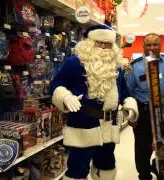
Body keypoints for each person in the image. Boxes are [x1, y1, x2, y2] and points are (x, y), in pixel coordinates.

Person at [50, 24, 139, 180]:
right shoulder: (74, 63)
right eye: (100, 43)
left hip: (108, 126)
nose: (104, 47)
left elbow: (124, 91)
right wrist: (65, 97)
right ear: (89, 43)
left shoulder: (117, 67)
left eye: (108, 44)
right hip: (83, 125)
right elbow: (56, 84)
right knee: (77, 169)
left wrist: (129, 105)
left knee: (106, 166)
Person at [125, 33, 164, 180]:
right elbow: (127, 93)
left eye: (155, 44)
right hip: (144, 113)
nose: (152, 48)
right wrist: (130, 114)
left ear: (160, 46)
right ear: (143, 47)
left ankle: (163, 173)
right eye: (149, 45)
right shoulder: (135, 67)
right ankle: (144, 175)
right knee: (143, 148)